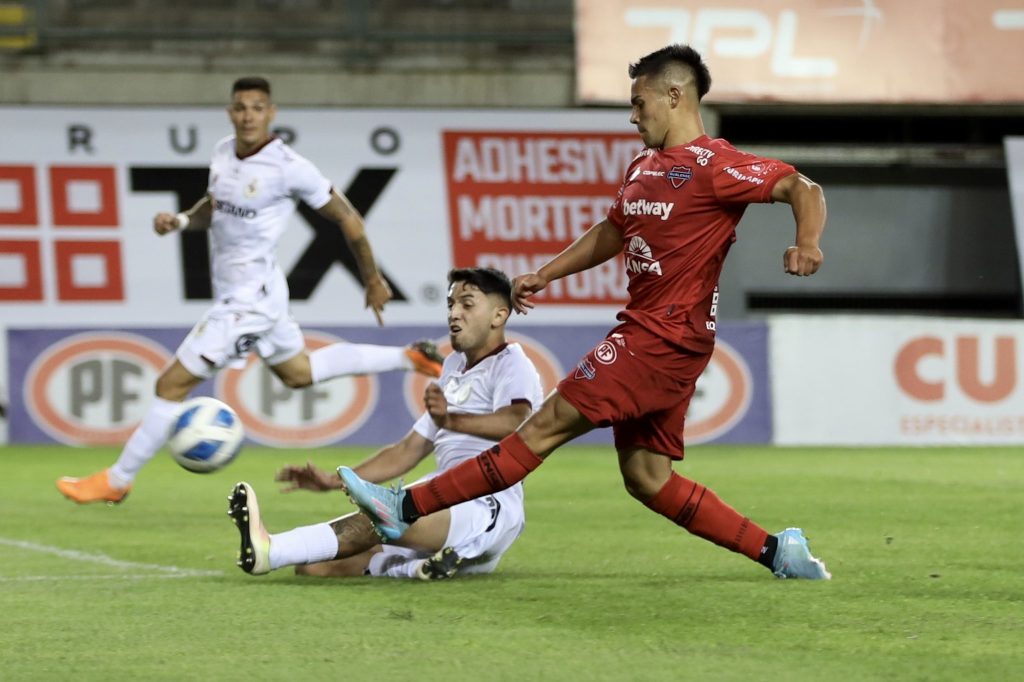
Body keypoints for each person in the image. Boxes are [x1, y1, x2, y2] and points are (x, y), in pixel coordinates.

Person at [338, 44, 832, 580]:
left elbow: (801, 187)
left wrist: (807, 241)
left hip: (660, 337)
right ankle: (778, 552)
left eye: (640, 102)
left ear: (674, 95)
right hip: (662, 339)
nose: (632, 114)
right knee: (648, 478)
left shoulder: (716, 166)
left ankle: (404, 508)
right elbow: (613, 231)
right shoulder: (644, 166)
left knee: (541, 427)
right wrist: (548, 272)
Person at [57, 76, 443, 505]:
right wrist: (183, 221)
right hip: (261, 290)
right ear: (230, 112)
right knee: (299, 373)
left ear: (271, 113)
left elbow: (349, 218)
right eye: (240, 107)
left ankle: (118, 478)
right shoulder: (224, 151)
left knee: (170, 386)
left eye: (257, 108)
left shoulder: (288, 166)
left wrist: (372, 278)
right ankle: (410, 357)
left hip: (249, 300)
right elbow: (214, 206)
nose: (247, 116)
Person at [228, 267, 542, 580]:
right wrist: (330, 482)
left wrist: (449, 419)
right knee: (314, 567)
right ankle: (419, 568)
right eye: (450, 305)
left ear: (499, 316)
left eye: (467, 304)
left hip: (485, 503)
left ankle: (271, 549)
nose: (454, 314)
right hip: (440, 494)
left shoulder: (512, 363)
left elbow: (517, 423)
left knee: (382, 517)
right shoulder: (454, 365)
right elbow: (409, 449)